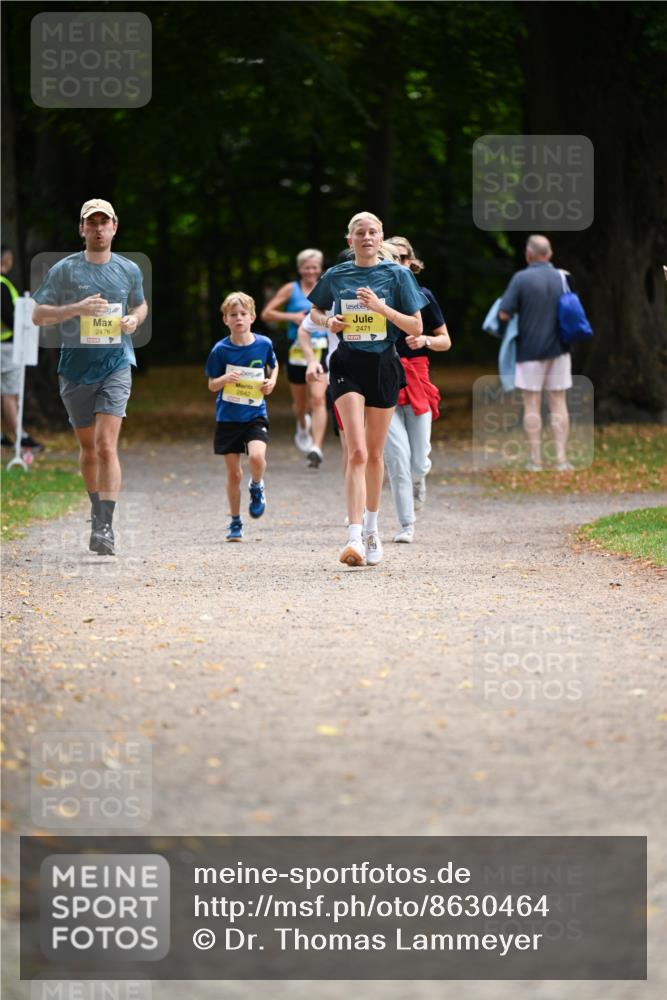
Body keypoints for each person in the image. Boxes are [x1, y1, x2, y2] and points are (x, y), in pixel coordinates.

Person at [308, 211, 428, 567]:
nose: (366, 237)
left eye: (372, 232)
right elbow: (314, 312)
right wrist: (328, 321)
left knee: (375, 456)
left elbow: (415, 325)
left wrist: (381, 308)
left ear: (381, 238)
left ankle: (373, 529)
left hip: (384, 365)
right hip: (347, 364)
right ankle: (354, 537)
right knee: (357, 452)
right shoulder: (337, 274)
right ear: (350, 240)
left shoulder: (398, 275)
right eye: (359, 233)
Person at [32, 199, 148, 555]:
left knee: (104, 445)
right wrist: (77, 309)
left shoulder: (129, 269)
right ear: (82, 229)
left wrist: (134, 319)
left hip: (116, 363)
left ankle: (105, 526)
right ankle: (96, 509)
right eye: (91, 222)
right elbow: (38, 314)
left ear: (114, 227)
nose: (98, 228)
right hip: (75, 368)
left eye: (104, 222)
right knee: (87, 448)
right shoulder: (65, 270)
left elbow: (140, 304)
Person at [384, 236, 451, 542]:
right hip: (383, 378)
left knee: (418, 457)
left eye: (402, 258)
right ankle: (406, 525)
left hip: (416, 378)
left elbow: (445, 341)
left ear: (411, 262)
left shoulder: (423, 295)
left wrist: (424, 340)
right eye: (391, 258)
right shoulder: (374, 298)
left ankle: (420, 478)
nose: (397, 263)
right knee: (396, 457)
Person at [205, 292, 278, 541]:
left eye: (243, 314)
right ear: (225, 320)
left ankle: (257, 485)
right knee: (234, 474)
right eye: (233, 315)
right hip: (228, 417)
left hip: (255, 412)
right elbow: (212, 385)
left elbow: (274, 366)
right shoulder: (220, 350)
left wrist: (271, 383)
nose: (239, 319)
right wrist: (224, 379)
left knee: (257, 457)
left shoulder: (264, 344)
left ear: (252, 317)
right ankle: (235, 522)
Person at [498, 235, 573, 471]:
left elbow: (503, 314)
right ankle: (561, 460)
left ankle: (535, 460)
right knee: (558, 402)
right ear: (549, 254)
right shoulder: (564, 277)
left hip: (529, 350)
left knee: (532, 405)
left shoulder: (521, 278)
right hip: (560, 349)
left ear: (528, 255)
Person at [260, 248, 327, 456]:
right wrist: (293, 318)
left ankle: (316, 447)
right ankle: (301, 422)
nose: (310, 271)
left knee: (318, 398)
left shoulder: (326, 286)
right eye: (306, 267)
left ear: (320, 269)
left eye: (314, 267)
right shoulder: (291, 289)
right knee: (300, 403)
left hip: (321, 348)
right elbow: (266, 314)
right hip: (296, 348)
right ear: (300, 269)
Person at [1, 245, 43, 450]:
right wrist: (22, 330)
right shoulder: (2, 284)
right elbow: (8, 315)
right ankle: (19, 435)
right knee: (10, 392)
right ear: (6, 260)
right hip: (6, 346)